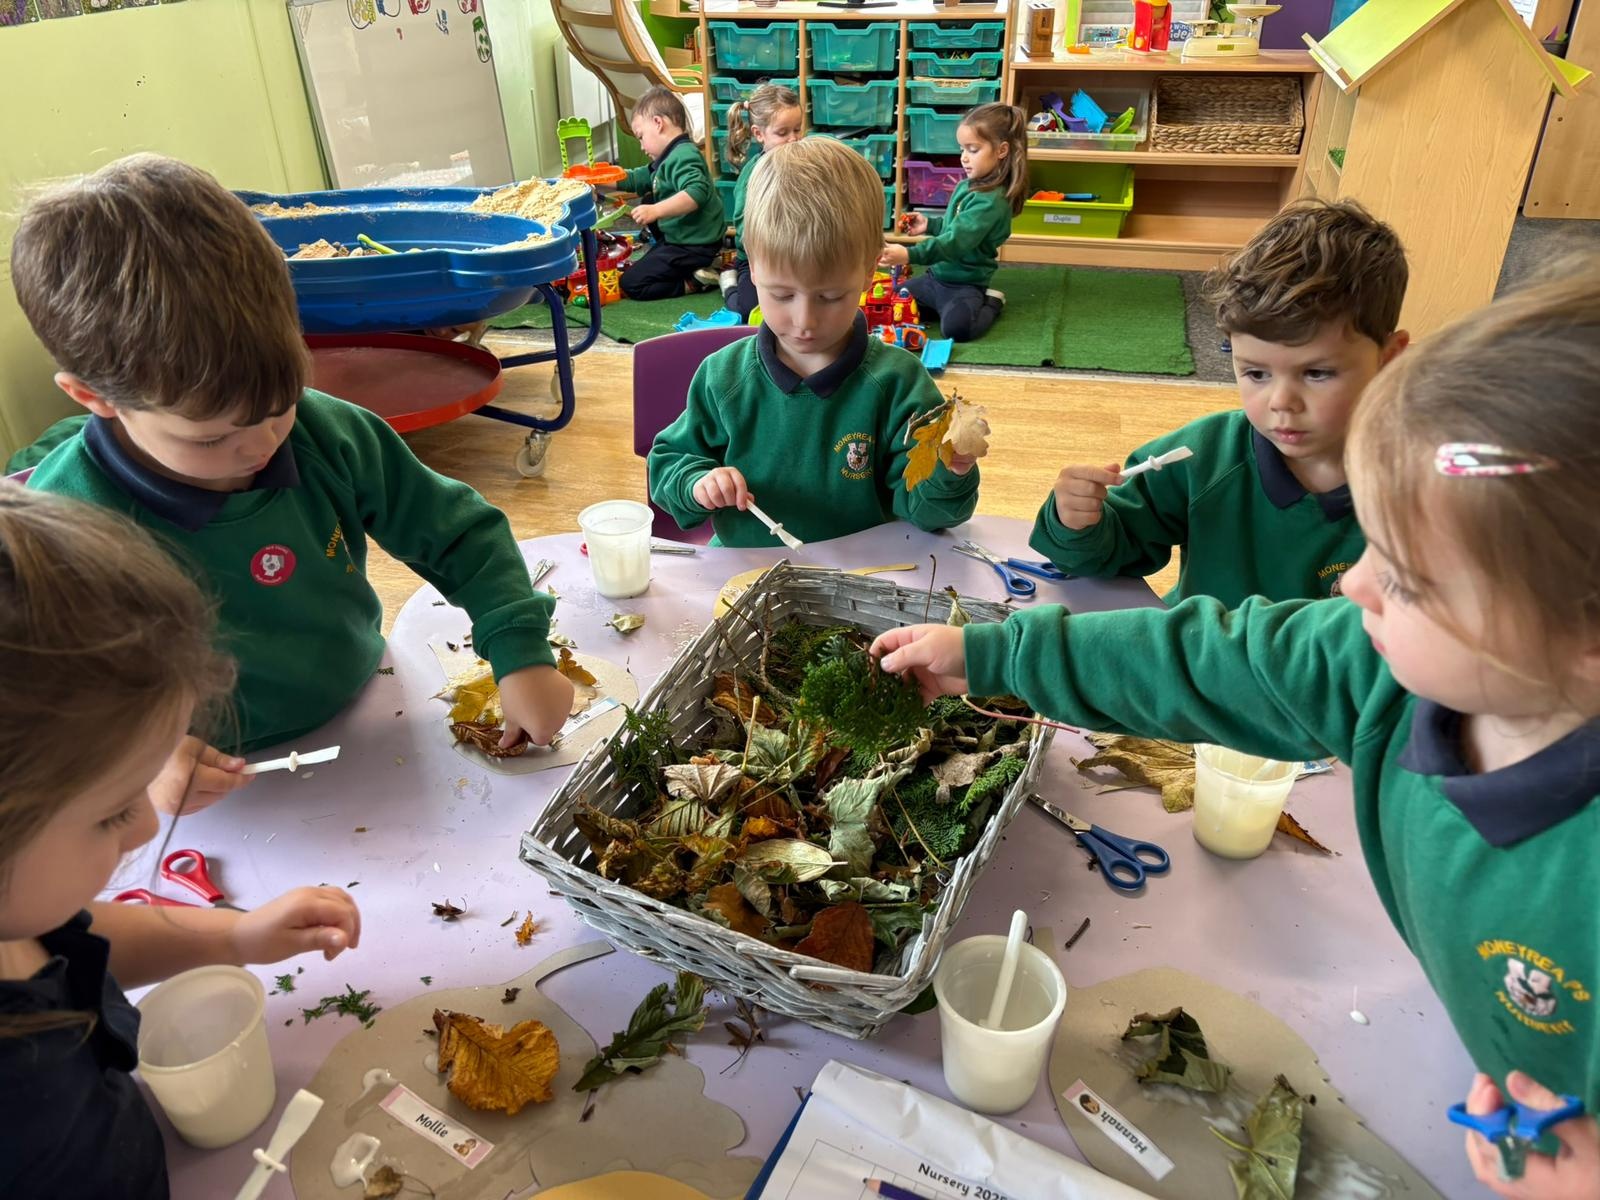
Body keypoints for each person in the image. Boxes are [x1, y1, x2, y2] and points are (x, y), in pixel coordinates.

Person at [874, 266, 1600, 1200]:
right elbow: (1210, 659)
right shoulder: (1375, 661)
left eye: (1408, 579)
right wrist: (997, 655)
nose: (1353, 586)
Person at [15, 154, 572, 786]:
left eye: (279, 404)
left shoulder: (325, 431)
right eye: (211, 437)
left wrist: (520, 652)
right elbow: (53, 692)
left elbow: (459, 534)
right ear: (93, 397)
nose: (261, 446)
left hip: (366, 708)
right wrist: (137, 758)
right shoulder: (63, 526)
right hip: (203, 783)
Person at [0, 488, 362, 1198]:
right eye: (112, 812)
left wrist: (234, 937)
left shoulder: (19, 913)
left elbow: (69, 937)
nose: (145, 827)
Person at [1033, 199, 1409, 606]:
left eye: (1317, 373)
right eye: (1256, 374)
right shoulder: (1204, 456)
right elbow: (1110, 550)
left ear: (1388, 359)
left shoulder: (1425, 484)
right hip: (1197, 647)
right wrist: (1076, 520)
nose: (1281, 403)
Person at [647, 137, 979, 547]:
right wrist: (698, 483)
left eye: (831, 297)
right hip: (745, 568)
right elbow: (668, 462)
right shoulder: (723, 376)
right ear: (752, 263)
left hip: (863, 573)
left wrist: (950, 471)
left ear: (869, 271)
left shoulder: (899, 383)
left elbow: (933, 517)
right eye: (782, 295)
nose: (804, 321)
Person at [879, 102, 1027, 343]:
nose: (964, 158)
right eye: (962, 149)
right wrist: (930, 225)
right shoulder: (968, 185)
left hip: (964, 285)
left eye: (973, 150)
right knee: (893, 302)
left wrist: (908, 254)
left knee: (957, 330)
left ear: (1002, 151)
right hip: (935, 278)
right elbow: (954, 226)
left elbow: (954, 243)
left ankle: (991, 302)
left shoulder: (991, 202)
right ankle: (941, 308)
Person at [610, 87, 727, 301]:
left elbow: (696, 193)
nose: (641, 146)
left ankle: (693, 282)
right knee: (649, 197)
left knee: (631, 283)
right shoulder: (670, 155)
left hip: (695, 245)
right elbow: (637, 178)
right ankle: (697, 263)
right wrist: (600, 180)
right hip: (684, 236)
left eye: (641, 137)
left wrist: (655, 210)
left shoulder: (683, 156)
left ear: (658, 123)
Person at [718, 83, 804, 317]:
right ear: (759, 134)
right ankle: (729, 286)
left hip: (798, 254)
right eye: (783, 133)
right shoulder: (753, 175)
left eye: (797, 129)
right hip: (759, 260)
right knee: (753, 312)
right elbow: (744, 230)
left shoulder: (803, 165)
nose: (793, 139)